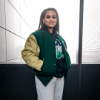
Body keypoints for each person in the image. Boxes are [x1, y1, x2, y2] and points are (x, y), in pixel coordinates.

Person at [21, 8, 71, 100]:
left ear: (57, 19)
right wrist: (42, 66)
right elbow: (27, 53)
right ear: (43, 19)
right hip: (46, 77)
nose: (51, 19)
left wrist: (66, 65)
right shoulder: (36, 35)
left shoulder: (60, 37)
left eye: (54, 17)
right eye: (48, 17)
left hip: (60, 76)